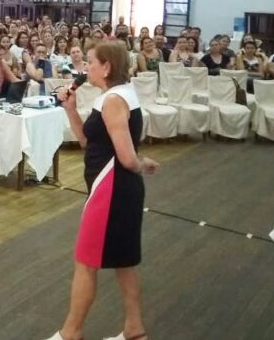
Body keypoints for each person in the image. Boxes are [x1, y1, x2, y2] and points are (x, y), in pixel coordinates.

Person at [48, 42, 159, 340]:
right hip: (111, 187)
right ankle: (134, 330)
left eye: (91, 62)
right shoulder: (113, 96)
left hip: (111, 190)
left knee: (86, 262)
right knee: (124, 263)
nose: (87, 67)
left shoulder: (113, 101)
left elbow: (125, 157)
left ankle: (70, 332)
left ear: (107, 66)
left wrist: (141, 163)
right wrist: (70, 110)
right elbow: (88, 142)